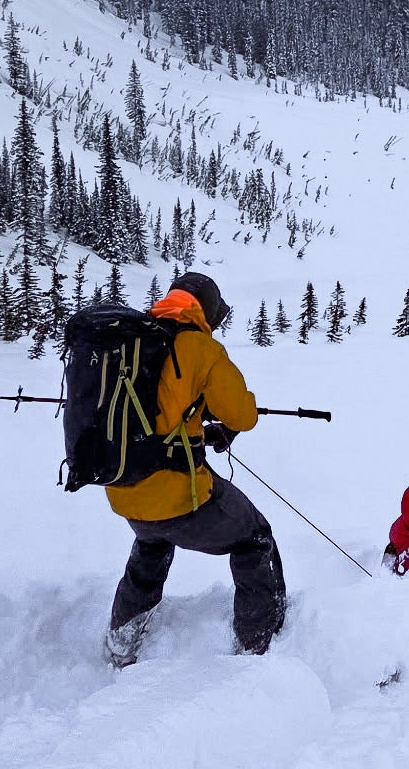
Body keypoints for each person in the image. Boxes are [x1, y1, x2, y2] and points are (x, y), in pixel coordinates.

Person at [104, 272, 286, 666]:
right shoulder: (200, 348)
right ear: (206, 310)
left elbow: (154, 413)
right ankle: (257, 646)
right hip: (177, 496)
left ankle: (122, 641)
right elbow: (242, 414)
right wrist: (224, 422)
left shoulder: (131, 341)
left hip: (124, 488)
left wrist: (195, 425)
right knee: (255, 537)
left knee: (152, 541)